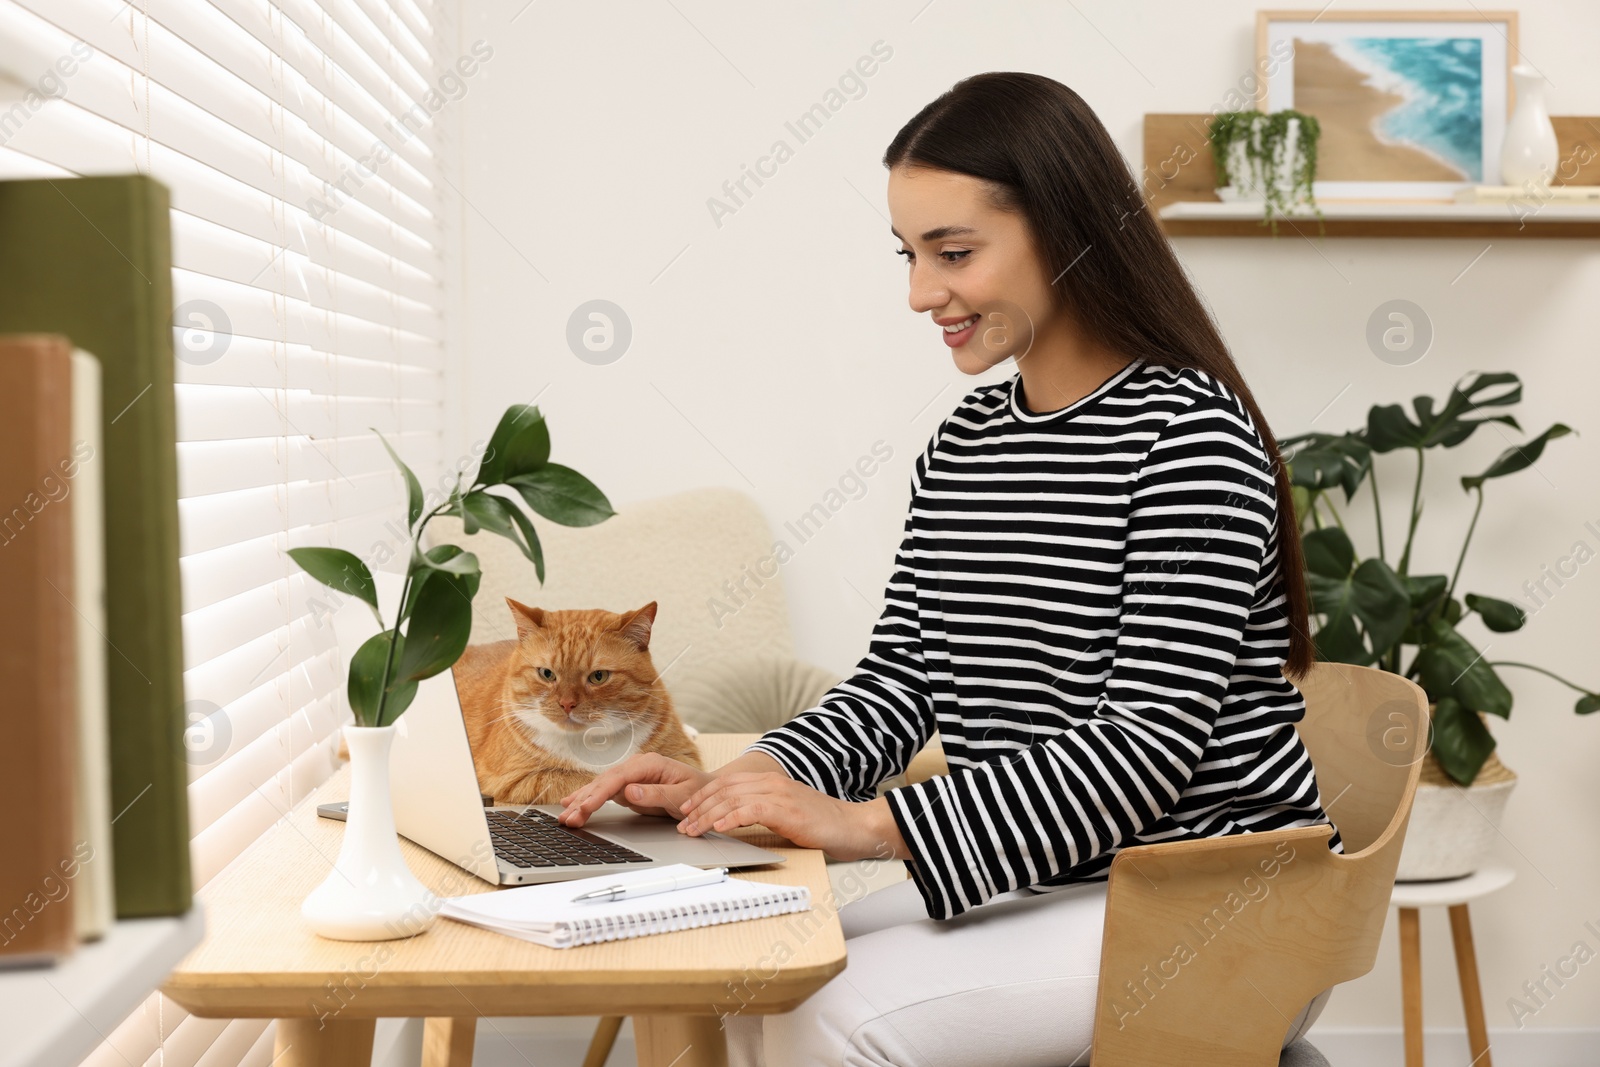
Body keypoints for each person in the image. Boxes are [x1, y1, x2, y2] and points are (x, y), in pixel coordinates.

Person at [556, 71, 1343, 1067]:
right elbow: (901, 680)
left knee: (822, 1015)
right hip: (1056, 878)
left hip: (1213, 898)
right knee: (758, 973)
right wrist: (746, 778)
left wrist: (870, 823)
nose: (922, 292)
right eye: (911, 254)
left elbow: (1144, 745)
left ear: (1066, 230)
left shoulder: (1188, 436)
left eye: (953, 252)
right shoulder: (970, 438)